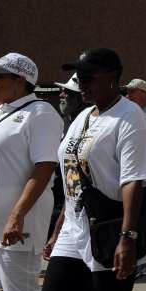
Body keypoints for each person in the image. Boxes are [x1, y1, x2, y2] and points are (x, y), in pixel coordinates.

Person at [39, 48, 146, 291]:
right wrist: (59, 228)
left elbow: (133, 181)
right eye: (79, 77)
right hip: (74, 228)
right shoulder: (84, 116)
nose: (81, 83)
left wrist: (127, 238)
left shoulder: (130, 117)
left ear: (113, 77)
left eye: (88, 77)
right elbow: (73, 178)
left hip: (109, 229)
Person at [0, 53, 61, 291]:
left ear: (20, 80)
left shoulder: (40, 113)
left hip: (15, 228)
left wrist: (16, 216)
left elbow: (44, 167)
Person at [51, 73, 85, 239]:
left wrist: (62, 219)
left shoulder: (86, 124)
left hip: (73, 207)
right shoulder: (65, 122)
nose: (61, 94)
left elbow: (75, 178)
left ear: (82, 97)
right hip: (58, 198)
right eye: (62, 91)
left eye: (68, 92)